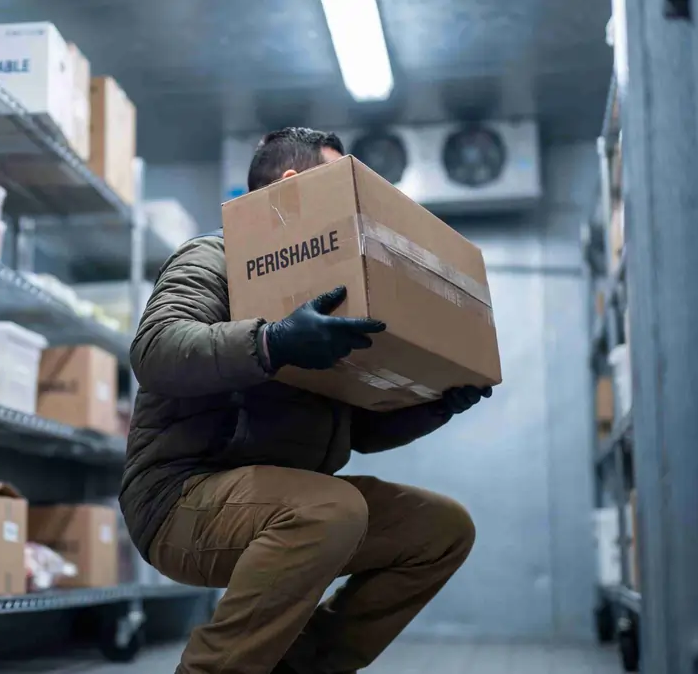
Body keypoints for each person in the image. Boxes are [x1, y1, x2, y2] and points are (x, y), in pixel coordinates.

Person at [119, 127, 493, 674]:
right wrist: (271, 342)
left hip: (285, 503)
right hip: (180, 501)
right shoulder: (214, 258)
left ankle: (304, 666)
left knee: (440, 529)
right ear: (297, 184)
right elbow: (155, 350)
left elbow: (358, 434)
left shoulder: (334, 284)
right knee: (328, 508)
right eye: (341, 179)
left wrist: (435, 405)